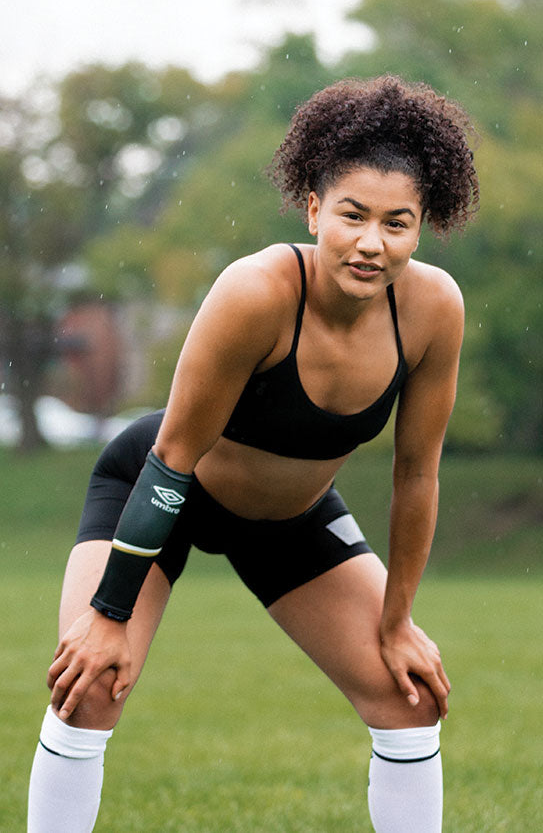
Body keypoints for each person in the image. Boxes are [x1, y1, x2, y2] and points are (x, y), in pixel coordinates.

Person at [27, 75, 478, 832]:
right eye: (352, 215)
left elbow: (416, 474)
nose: (372, 242)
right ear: (313, 210)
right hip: (163, 488)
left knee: (410, 697)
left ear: (421, 226)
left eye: (396, 223)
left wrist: (397, 621)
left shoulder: (433, 310)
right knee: (91, 684)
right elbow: (171, 458)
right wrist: (109, 612)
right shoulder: (258, 290)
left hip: (289, 519)